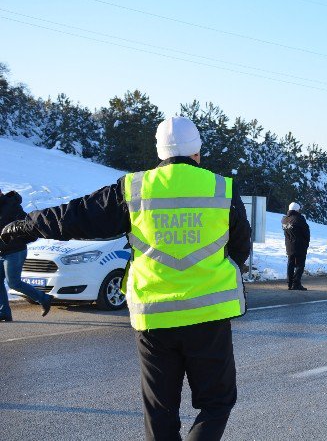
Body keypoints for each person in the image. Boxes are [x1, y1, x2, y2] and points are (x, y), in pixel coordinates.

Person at [1, 117, 251, 440]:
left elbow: (76, 216)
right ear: (198, 153)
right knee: (217, 402)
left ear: (160, 154)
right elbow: (240, 251)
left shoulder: (135, 189)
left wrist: (28, 225)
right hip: (208, 318)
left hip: (154, 318)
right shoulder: (223, 190)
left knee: (160, 413)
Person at [0, 188, 53, 321]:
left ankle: (44, 298)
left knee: (13, 283)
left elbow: (30, 227)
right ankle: (4, 312)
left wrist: (16, 241)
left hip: (15, 251)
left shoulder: (11, 207)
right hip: (2, 252)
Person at [281, 202, 310, 291]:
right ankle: (296, 283)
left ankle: (289, 283)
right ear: (297, 209)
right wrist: (306, 242)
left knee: (290, 264)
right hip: (300, 245)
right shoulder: (299, 219)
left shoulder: (284, 219)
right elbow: (306, 232)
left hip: (289, 245)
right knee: (300, 265)